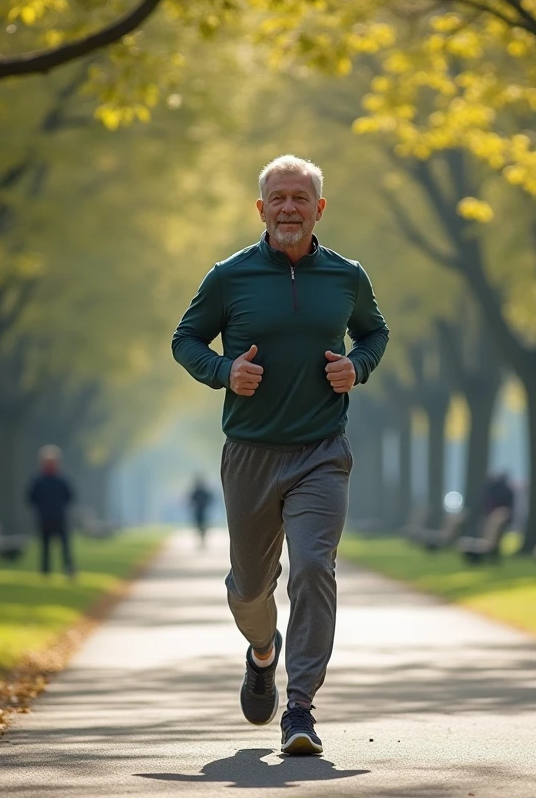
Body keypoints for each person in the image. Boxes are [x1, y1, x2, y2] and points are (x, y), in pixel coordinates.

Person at [171, 154, 389, 756]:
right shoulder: (229, 277)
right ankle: (262, 655)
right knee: (249, 587)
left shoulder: (347, 277)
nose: (288, 207)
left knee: (315, 566)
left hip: (322, 449)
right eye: (278, 198)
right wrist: (222, 371)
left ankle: (301, 709)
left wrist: (358, 366)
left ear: (319, 208)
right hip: (250, 453)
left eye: (300, 198)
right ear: (260, 208)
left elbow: (375, 332)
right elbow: (183, 338)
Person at [26, 445, 75, 579]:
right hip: (44, 518)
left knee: (65, 546)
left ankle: (68, 568)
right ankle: (45, 571)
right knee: (45, 547)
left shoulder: (62, 480)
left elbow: (70, 497)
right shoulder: (38, 480)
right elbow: (31, 498)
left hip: (60, 517)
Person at [189, 476, 214, 549]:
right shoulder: (202, 491)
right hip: (202, 511)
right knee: (202, 526)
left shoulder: (197, 491)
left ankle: (202, 539)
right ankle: (202, 539)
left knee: (200, 526)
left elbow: (191, 500)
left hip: (200, 511)